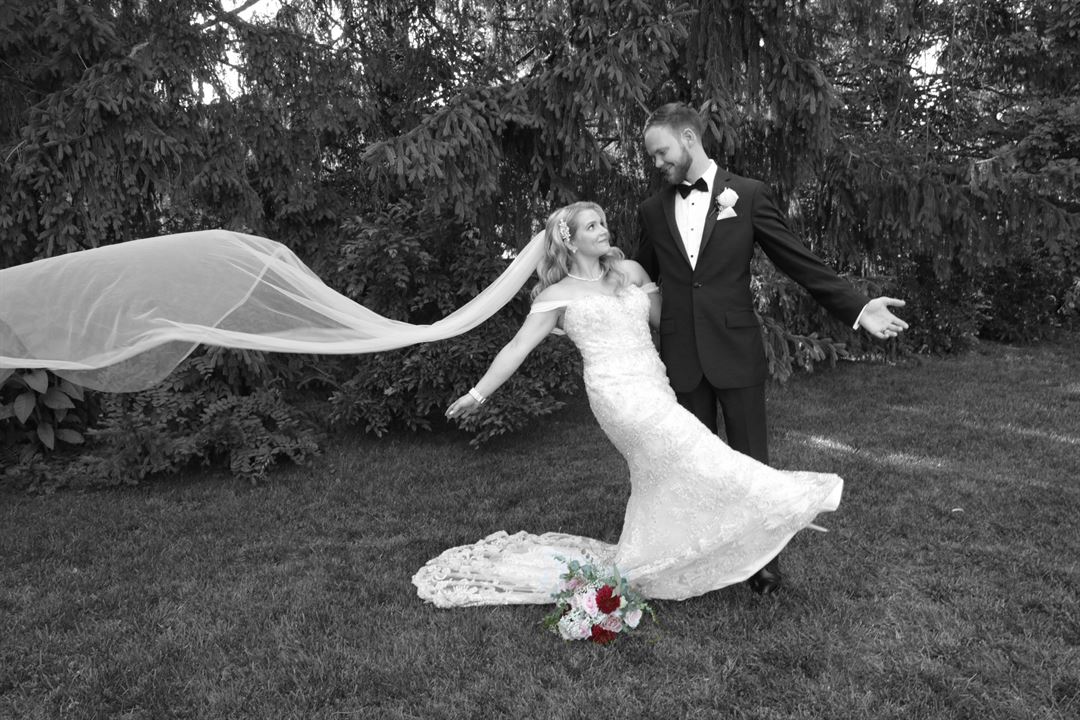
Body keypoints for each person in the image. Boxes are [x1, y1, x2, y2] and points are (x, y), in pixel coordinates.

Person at [410, 201, 843, 608]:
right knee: (695, 448)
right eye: (592, 226)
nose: (604, 230)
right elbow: (517, 347)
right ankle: (786, 499)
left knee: (661, 472)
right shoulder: (556, 296)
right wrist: (477, 394)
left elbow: (669, 324)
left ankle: (654, 553)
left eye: (603, 223)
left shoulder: (630, 272)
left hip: (653, 382)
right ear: (570, 241)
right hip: (615, 395)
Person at [635, 102, 909, 595]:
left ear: (689, 138)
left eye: (661, 152)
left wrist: (858, 306)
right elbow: (638, 276)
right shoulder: (652, 210)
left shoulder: (748, 195)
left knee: (750, 462)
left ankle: (763, 563)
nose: (657, 164)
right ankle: (704, 558)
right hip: (681, 355)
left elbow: (797, 260)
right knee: (694, 465)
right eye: (652, 157)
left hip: (735, 351)